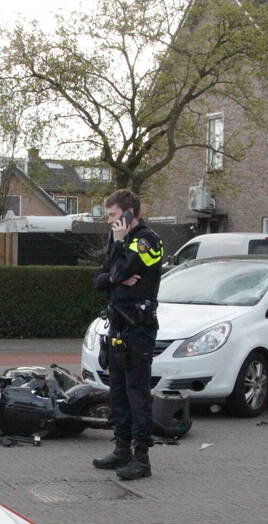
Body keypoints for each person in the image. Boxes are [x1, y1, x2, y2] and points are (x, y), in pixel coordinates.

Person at [91, 189, 164, 480]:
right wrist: (115, 276)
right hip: (118, 327)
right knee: (118, 393)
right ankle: (121, 450)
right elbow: (101, 279)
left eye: (112, 215)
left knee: (137, 395)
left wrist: (117, 268)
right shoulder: (119, 240)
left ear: (130, 212)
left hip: (138, 328)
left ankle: (141, 459)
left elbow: (119, 270)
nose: (109, 221)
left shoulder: (147, 241)